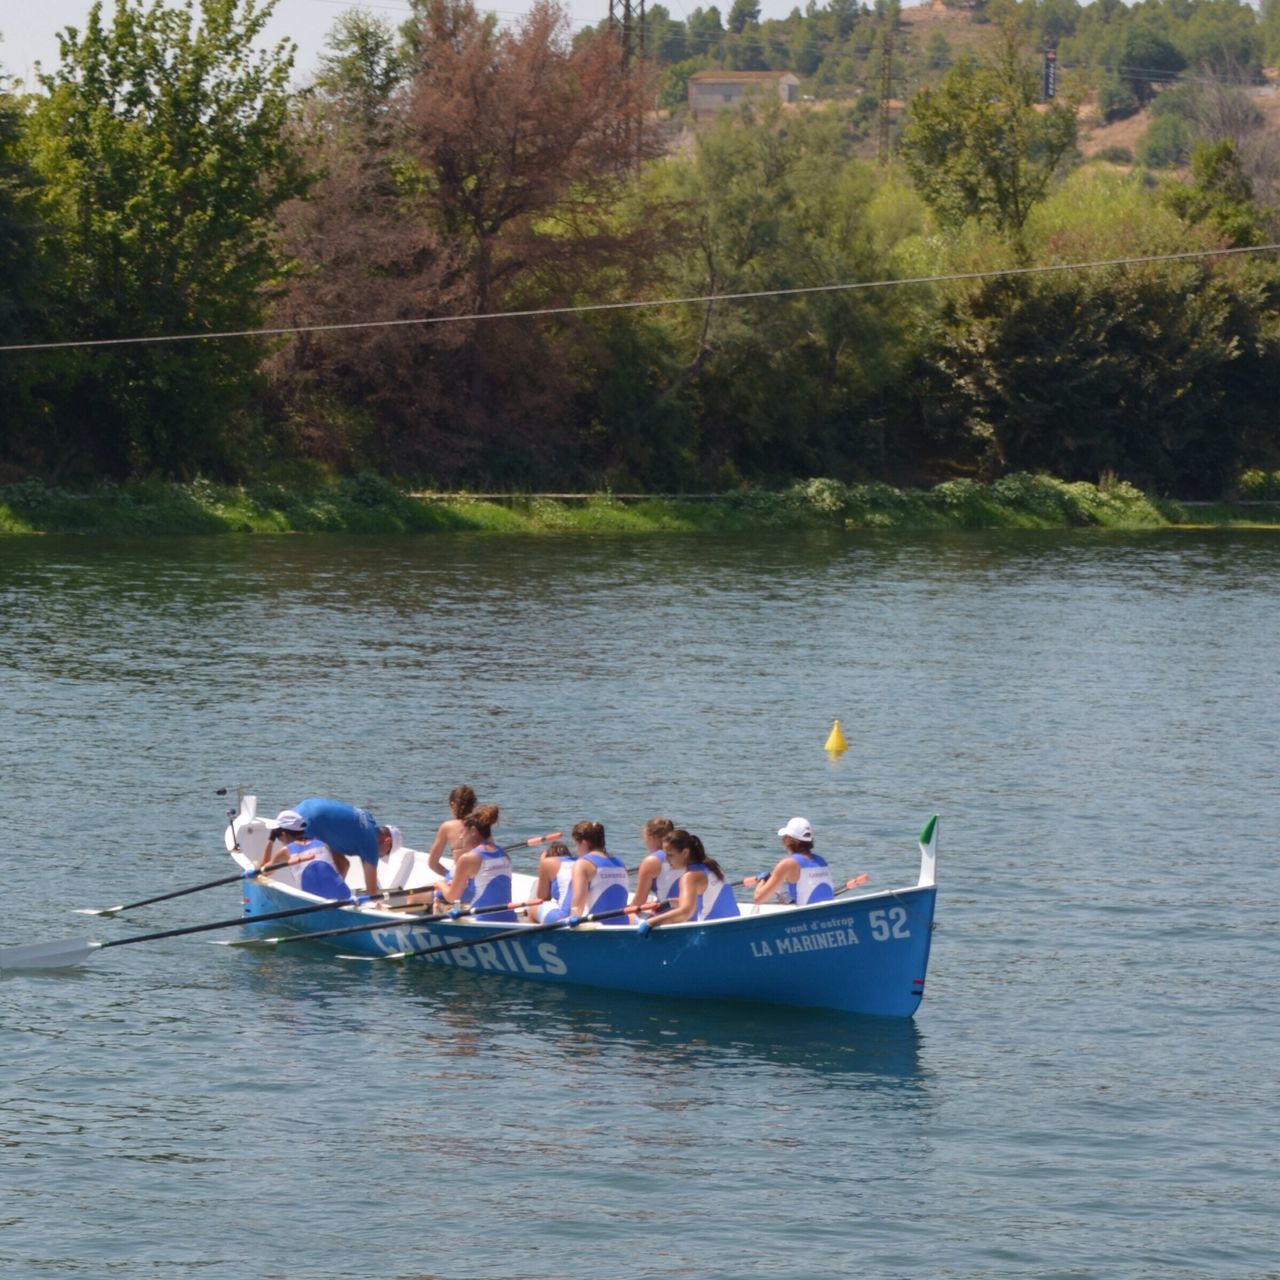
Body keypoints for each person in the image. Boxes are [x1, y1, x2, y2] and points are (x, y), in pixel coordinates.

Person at [259, 797, 398, 897]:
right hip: (311, 822)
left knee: (344, 864)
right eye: (386, 853)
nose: (381, 857)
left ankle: (330, 896)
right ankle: (326, 898)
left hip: (306, 807)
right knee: (283, 858)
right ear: (387, 841)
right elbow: (372, 893)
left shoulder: (368, 818)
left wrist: (272, 837)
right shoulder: (370, 846)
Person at [426, 804, 516, 922]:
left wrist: (441, 884)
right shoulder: (504, 855)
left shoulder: (468, 859)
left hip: (483, 921)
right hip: (510, 920)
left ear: (473, 831)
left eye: (463, 832)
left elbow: (452, 897)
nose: (461, 837)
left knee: (440, 906)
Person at [640, 829, 740, 932]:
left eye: (670, 855)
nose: (666, 860)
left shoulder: (690, 877)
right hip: (735, 927)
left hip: (713, 932)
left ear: (685, 852)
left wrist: (651, 922)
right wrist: (670, 903)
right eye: (665, 855)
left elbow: (686, 912)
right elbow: (704, 901)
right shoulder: (713, 866)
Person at [257, 809, 354, 901]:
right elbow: (345, 864)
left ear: (283, 834)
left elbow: (262, 872)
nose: (278, 839)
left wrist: (270, 840)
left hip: (315, 903)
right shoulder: (324, 843)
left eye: (277, 836)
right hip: (344, 896)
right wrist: (336, 885)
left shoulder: (285, 851)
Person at [752, 817, 834, 907]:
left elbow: (758, 898)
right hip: (828, 917)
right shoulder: (822, 862)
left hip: (806, 918)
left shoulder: (788, 864)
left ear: (788, 840)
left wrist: (763, 880)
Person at [565, 820, 630, 926]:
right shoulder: (620, 863)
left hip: (597, 928)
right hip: (623, 924)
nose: (576, 850)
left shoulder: (582, 864)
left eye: (576, 845)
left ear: (584, 843)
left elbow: (577, 907)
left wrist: (570, 923)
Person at [426, 785, 478, 879]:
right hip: (483, 881)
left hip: (462, 884)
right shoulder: (482, 824)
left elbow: (432, 863)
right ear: (473, 805)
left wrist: (450, 876)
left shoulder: (447, 826)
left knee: (414, 894)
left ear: (452, 805)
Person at [629, 816, 677, 910]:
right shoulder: (682, 855)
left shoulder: (651, 861)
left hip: (668, 916)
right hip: (689, 913)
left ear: (650, 838)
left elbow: (638, 903)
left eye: (644, 838)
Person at [529, 841, 574, 923]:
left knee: (533, 909)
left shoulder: (549, 863)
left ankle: (537, 935)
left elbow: (543, 898)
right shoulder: (578, 863)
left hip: (565, 916)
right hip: (581, 911)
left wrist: (542, 864)